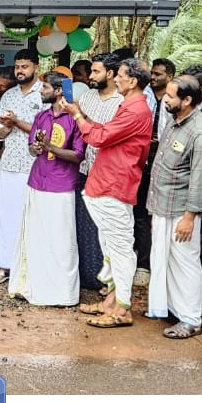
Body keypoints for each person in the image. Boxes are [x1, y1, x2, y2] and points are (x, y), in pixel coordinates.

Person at [64, 57, 152, 327]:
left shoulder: (136, 109)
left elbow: (99, 137)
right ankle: (112, 301)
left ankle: (123, 309)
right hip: (106, 182)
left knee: (120, 248)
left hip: (115, 184)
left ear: (132, 81)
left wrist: (77, 115)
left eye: (121, 76)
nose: (117, 80)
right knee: (111, 246)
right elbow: (104, 131)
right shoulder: (129, 106)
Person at [146, 76, 202, 338]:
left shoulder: (200, 132)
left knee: (185, 263)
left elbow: (200, 181)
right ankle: (174, 308)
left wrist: (189, 217)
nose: (165, 98)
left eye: (171, 96)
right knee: (167, 260)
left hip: (182, 212)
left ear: (187, 100)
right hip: (164, 207)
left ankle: (191, 319)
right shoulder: (175, 123)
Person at [8, 72, 85, 306]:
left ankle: (62, 293)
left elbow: (78, 155)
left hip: (61, 185)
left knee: (61, 240)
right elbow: (32, 146)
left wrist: (51, 146)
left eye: (44, 87)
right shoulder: (41, 116)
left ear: (59, 91)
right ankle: (33, 286)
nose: (41, 91)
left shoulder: (75, 119)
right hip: (37, 181)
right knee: (35, 237)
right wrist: (37, 148)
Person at [0, 49, 44, 283]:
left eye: (25, 67)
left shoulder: (45, 93)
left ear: (36, 67)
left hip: (35, 166)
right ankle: (4, 266)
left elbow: (46, 132)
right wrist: (5, 128)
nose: (20, 71)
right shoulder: (9, 95)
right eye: (17, 67)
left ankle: (29, 269)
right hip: (10, 163)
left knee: (32, 217)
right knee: (7, 216)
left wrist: (17, 122)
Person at [74, 53, 124, 292]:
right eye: (91, 71)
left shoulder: (122, 101)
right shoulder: (86, 97)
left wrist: (81, 117)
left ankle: (109, 283)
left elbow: (109, 134)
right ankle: (86, 277)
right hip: (84, 170)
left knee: (106, 229)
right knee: (84, 226)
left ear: (111, 74)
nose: (91, 76)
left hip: (109, 176)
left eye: (96, 72)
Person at [134, 58, 177, 287]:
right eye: (152, 72)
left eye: (158, 73)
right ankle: (142, 264)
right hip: (142, 158)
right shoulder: (144, 94)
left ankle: (160, 264)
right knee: (139, 212)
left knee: (159, 214)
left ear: (169, 76)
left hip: (166, 160)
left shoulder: (174, 97)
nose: (153, 77)